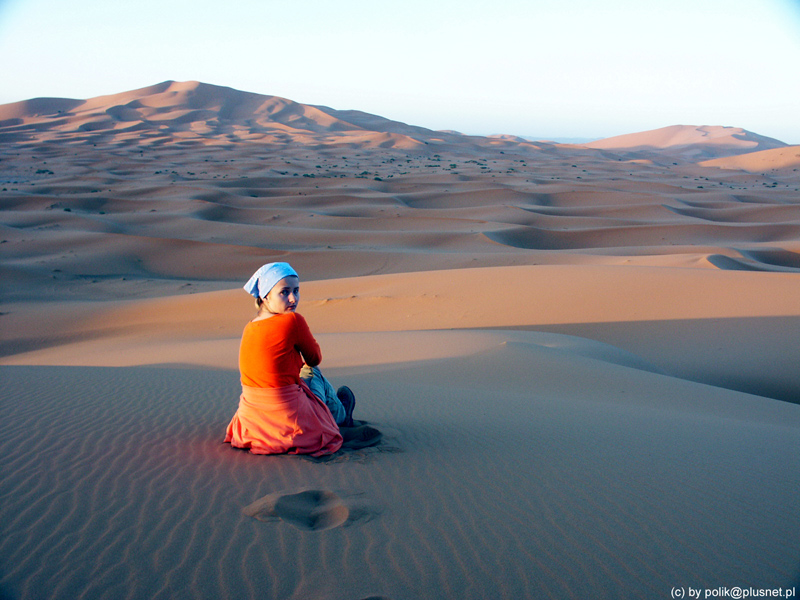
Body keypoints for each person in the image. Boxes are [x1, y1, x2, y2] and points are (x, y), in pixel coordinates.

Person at [224, 262, 356, 457]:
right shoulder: (293, 320)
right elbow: (314, 358)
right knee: (312, 371)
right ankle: (339, 414)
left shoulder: (249, 327)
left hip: (253, 421)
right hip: (289, 420)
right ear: (265, 296)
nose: (293, 298)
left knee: (302, 378)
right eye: (284, 292)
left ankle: (330, 411)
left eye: (296, 290)